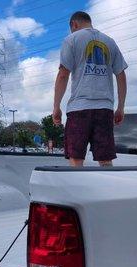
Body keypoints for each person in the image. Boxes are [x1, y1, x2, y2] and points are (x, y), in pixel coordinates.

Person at [52, 11, 128, 167]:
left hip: (79, 109)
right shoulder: (110, 42)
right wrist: (120, 107)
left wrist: (56, 107)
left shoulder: (71, 39)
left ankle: (78, 190)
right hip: (105, 109)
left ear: (74, 24)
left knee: (76, 158)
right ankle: (107, 190)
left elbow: (63, 75)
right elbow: (121, 75)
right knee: (105, 160)